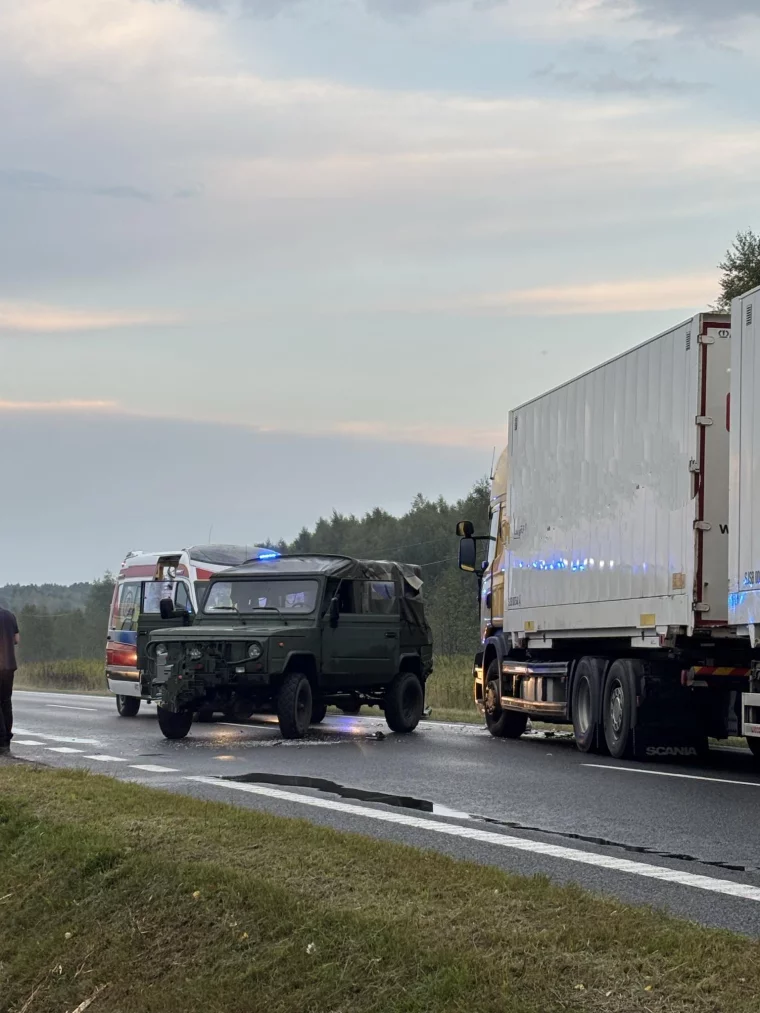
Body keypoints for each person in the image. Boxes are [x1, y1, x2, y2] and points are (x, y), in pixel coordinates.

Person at [0, 605, 19, 754]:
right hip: (9, 665)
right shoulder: (9, 615)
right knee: (6, 702)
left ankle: (0, 740)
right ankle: (6, 739)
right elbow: (16, 639)